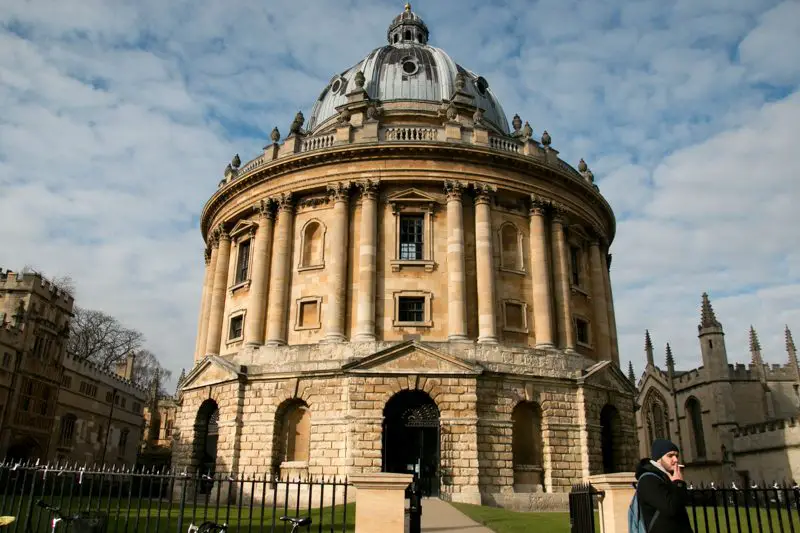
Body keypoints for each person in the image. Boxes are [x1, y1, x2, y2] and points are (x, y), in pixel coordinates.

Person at [633, 438, 693, 533]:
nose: (676, 460)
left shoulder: (667, 476)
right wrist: (678, 483)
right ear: (659, 458)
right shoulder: (648, 479)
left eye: (676, 455)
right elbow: (670, 509)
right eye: (670, 456)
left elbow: (682, 504)